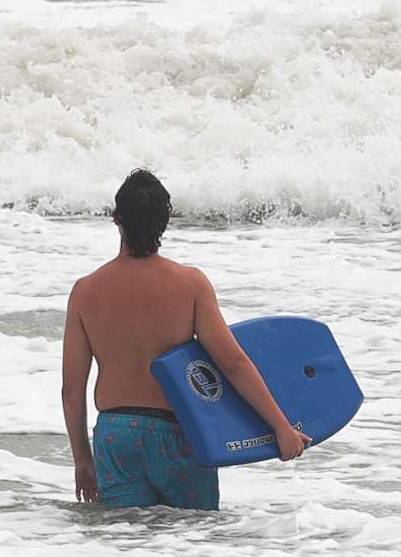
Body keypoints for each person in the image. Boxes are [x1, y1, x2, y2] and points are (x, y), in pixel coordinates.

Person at [60, 169, 306, 508]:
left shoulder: (85, 291)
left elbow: (72, 392)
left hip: (116, 437)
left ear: (116, 219)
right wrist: (281, 427)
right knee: (190, 549)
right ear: (165, 221)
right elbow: (232, 364)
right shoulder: (190, 285)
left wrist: (82, 462)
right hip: (177, 435)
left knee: (123, 551)